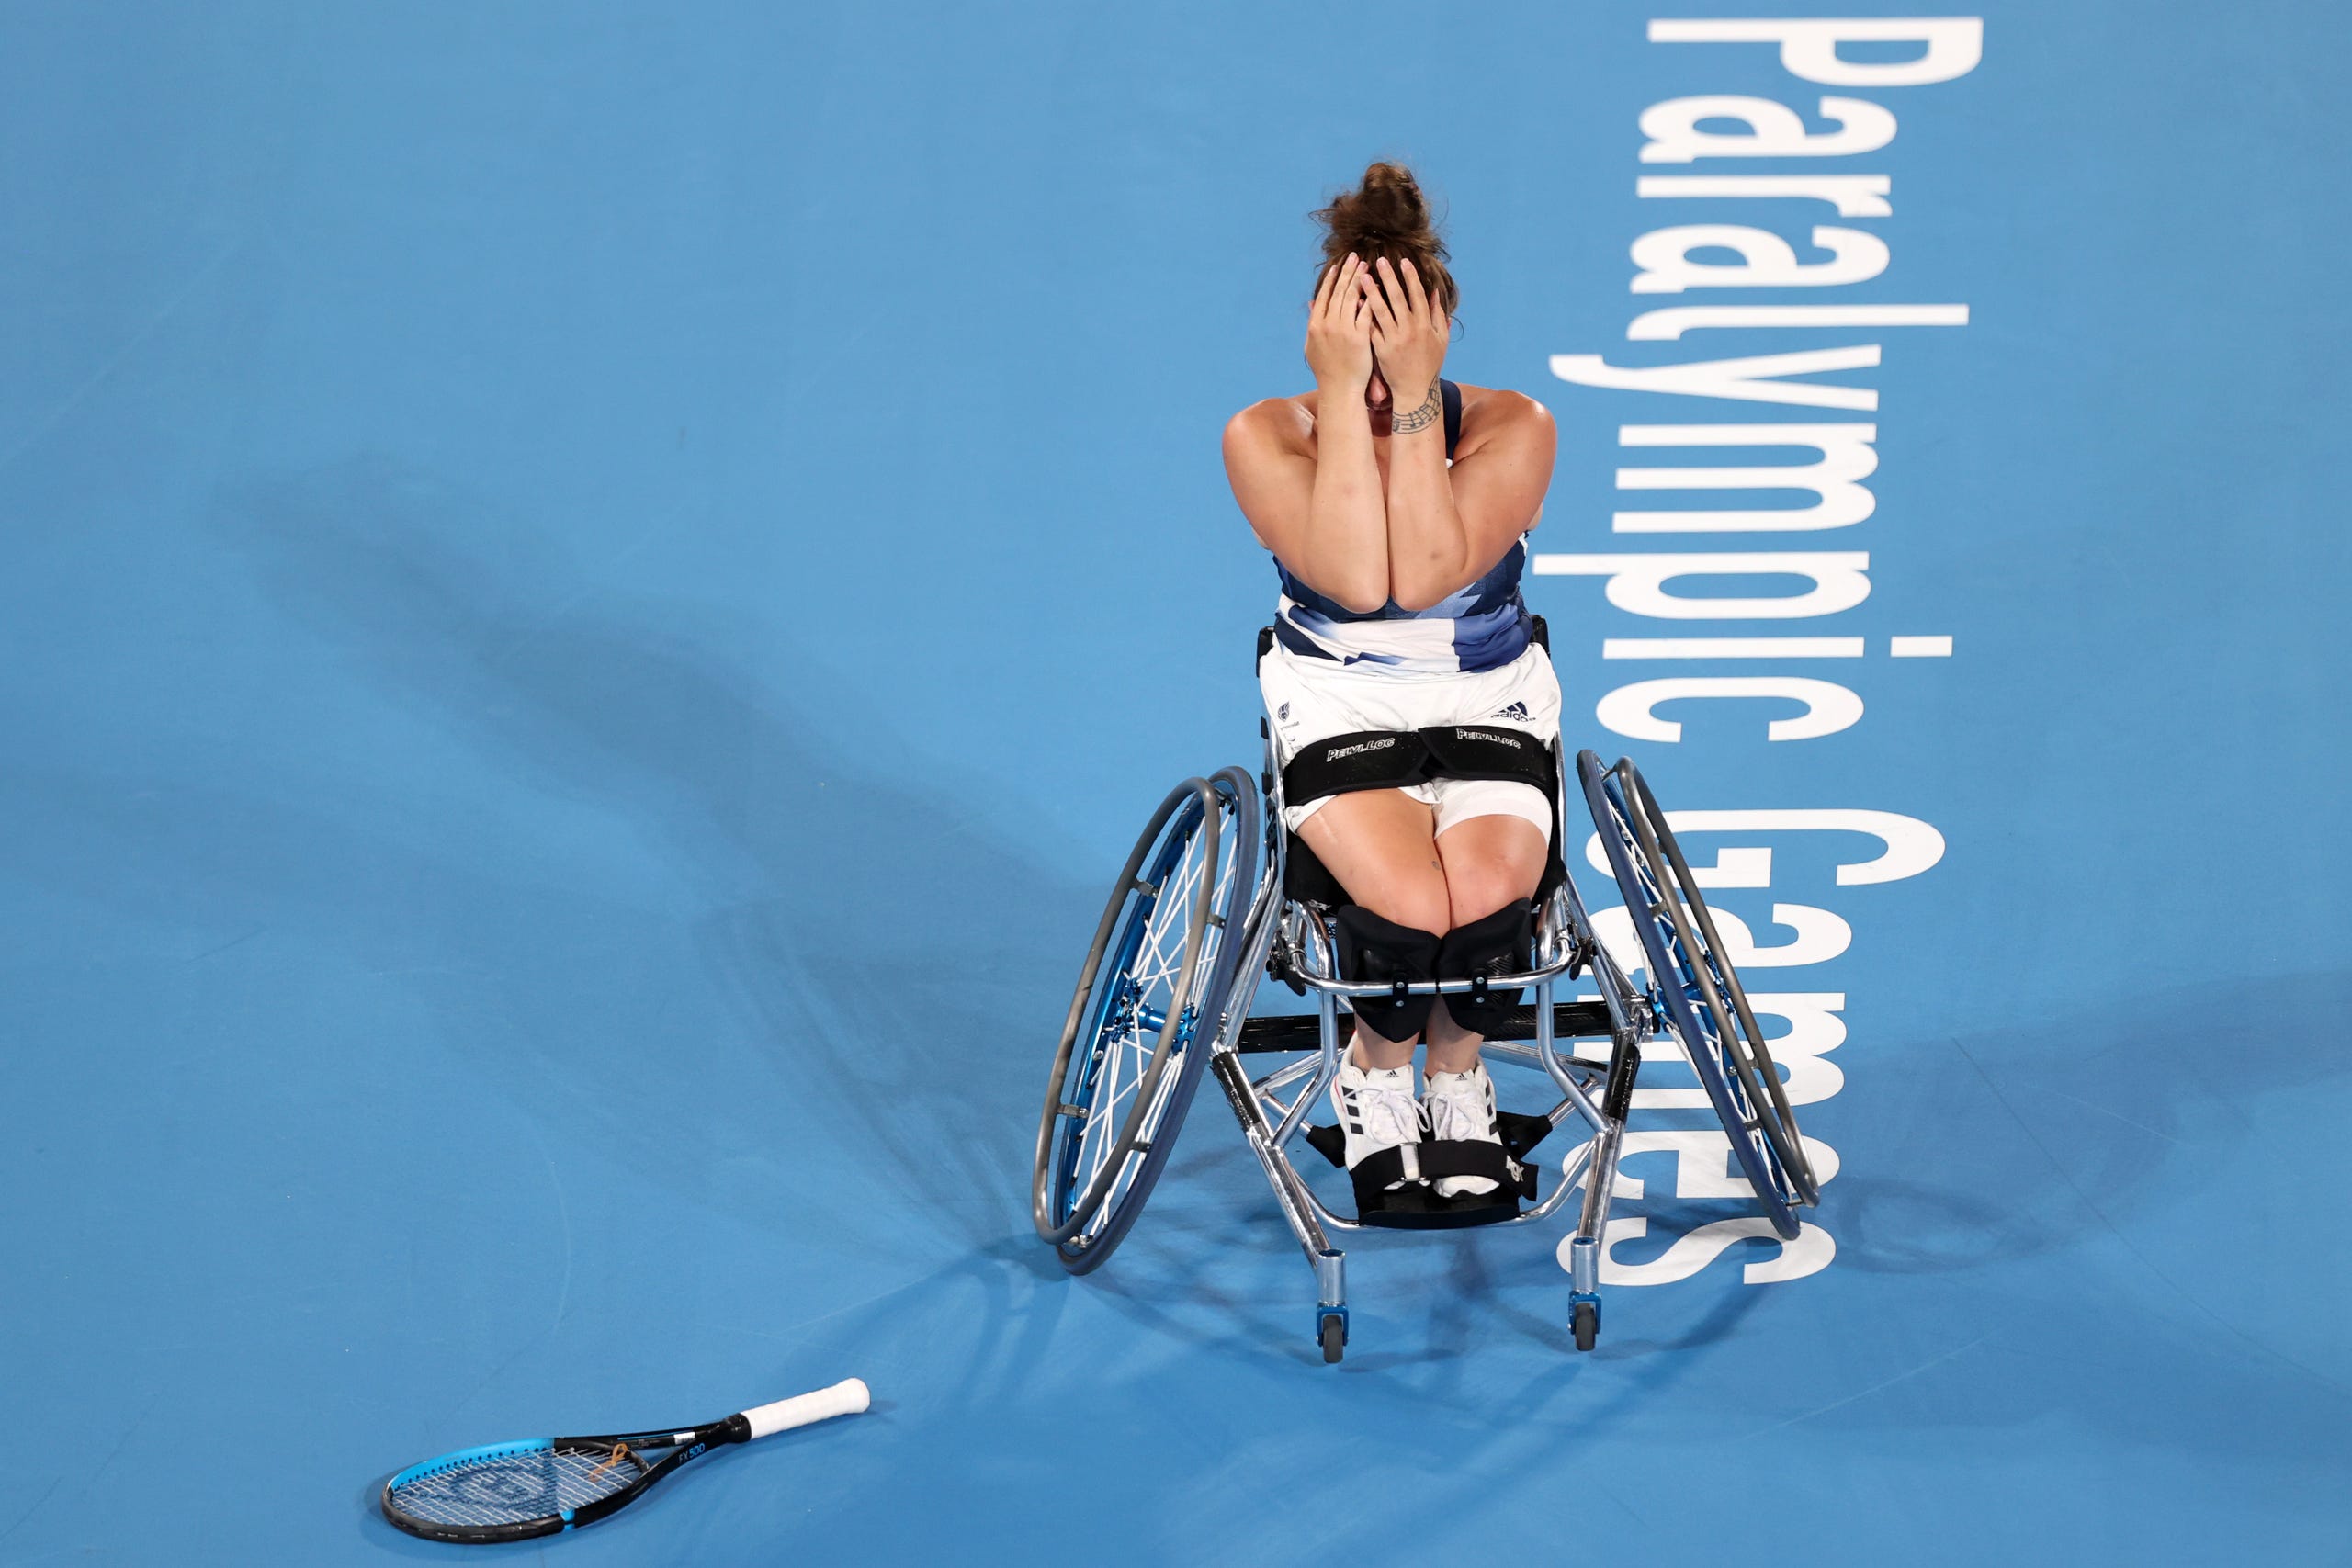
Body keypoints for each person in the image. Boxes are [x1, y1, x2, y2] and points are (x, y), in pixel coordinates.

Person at [1221, 162, 1559, 1199]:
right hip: (1338, 698)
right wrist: (1340, 399)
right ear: (1320, 340)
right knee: (1411, 908)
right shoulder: (1265, 433)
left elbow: (1427, 575)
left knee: (1492, 899)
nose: (1372, 387)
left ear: (1437, 333)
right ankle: (1373, 1074)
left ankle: (1456, 1080)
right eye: (1349, 361)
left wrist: (1413, 403)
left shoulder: (1516, 426)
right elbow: (1359, 584)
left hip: (1484, 695)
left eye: (1395, 360)